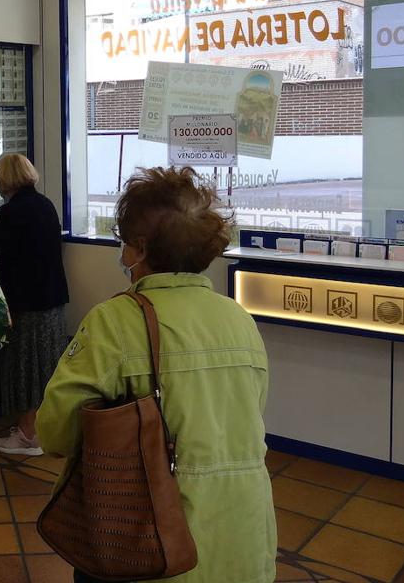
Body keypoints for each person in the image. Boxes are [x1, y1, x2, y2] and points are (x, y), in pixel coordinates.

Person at [36, 166, 275, 583]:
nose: (123, 253)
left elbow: (55, 432)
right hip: (245, 541)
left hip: (151, 542)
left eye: (124, 242)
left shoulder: (114, 322)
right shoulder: (239, 320)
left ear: (140, 250)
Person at [0, 154, 68, 456]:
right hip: (52, 300)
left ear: (6, 180)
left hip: (26, 304)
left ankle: (26, 436)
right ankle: (40, 431)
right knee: (44, 368)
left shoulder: (11, 212)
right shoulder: (44, 204)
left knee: (24, 368)